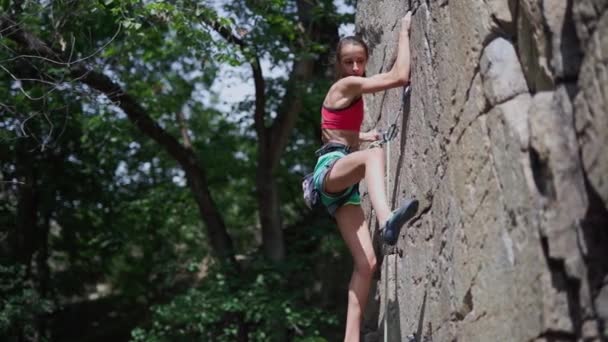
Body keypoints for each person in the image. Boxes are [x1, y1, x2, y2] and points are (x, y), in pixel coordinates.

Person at [311, 11, 418, 342]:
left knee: (367, 264)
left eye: (360, 62)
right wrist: (404, 31)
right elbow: (401, 76)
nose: (355, 68)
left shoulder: (351, 92)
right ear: (339, 67)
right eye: (348, 63)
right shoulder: (346, 85)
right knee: (373, 157)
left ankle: (350, 339)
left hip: (342, 184)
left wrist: (366, 135)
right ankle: (387, 222)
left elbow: (340, 134)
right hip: (329, 170)